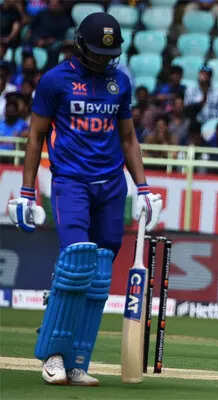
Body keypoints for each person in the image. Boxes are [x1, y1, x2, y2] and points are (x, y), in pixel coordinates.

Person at [6, 12, 162, 386]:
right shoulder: (55, 80)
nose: (102, 60)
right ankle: (53, 356)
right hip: (71, 183)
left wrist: (143, 187)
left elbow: (128, 138)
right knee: (76, 261)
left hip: (111, 186)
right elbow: (35, 136)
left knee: (99, 273)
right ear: (79, 46)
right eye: (96, 53)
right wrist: (27, 191)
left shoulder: (119, 82)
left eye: (109, 55)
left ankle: (78, 360)